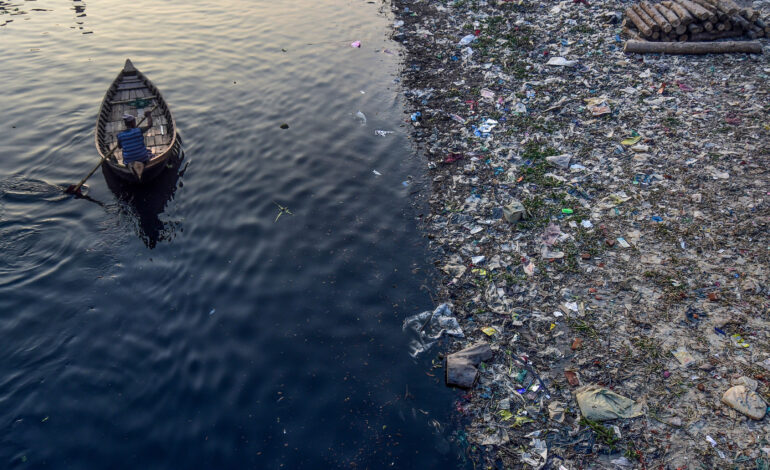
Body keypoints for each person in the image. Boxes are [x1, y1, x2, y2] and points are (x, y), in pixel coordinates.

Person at [117, 110, 154, 180]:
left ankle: (133, 169)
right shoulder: (139, 130)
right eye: (134, 121)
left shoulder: (120, 135)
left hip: (128, 162)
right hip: (143, 159)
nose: (135, 123)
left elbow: (119, 147)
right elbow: (150, 125)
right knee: (149, 152)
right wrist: (149, 115)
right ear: (132, 123)